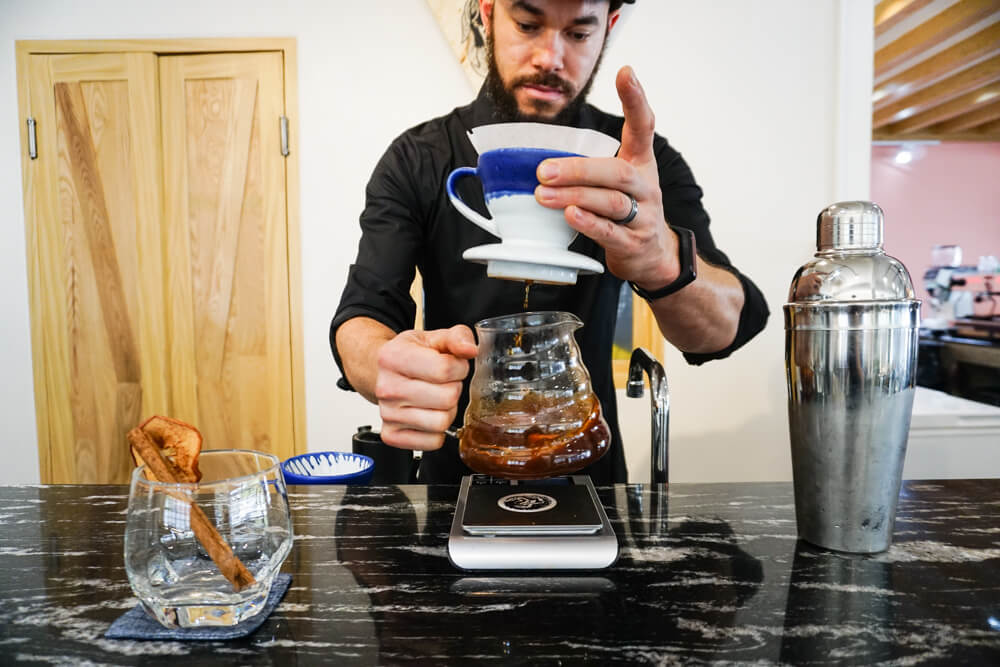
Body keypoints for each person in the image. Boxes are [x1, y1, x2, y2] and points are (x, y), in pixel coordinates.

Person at [331, 0, 769, 483]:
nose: (550, 57)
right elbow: (363, 314)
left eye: (578, 34)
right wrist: (382, 364)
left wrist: (663, 260)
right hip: (451, 477)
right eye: (527, 24)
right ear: (487, 13)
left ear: (609, 28)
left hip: (590, 472)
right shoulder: (419, 158)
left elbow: (731, 322)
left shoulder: (638, 162)